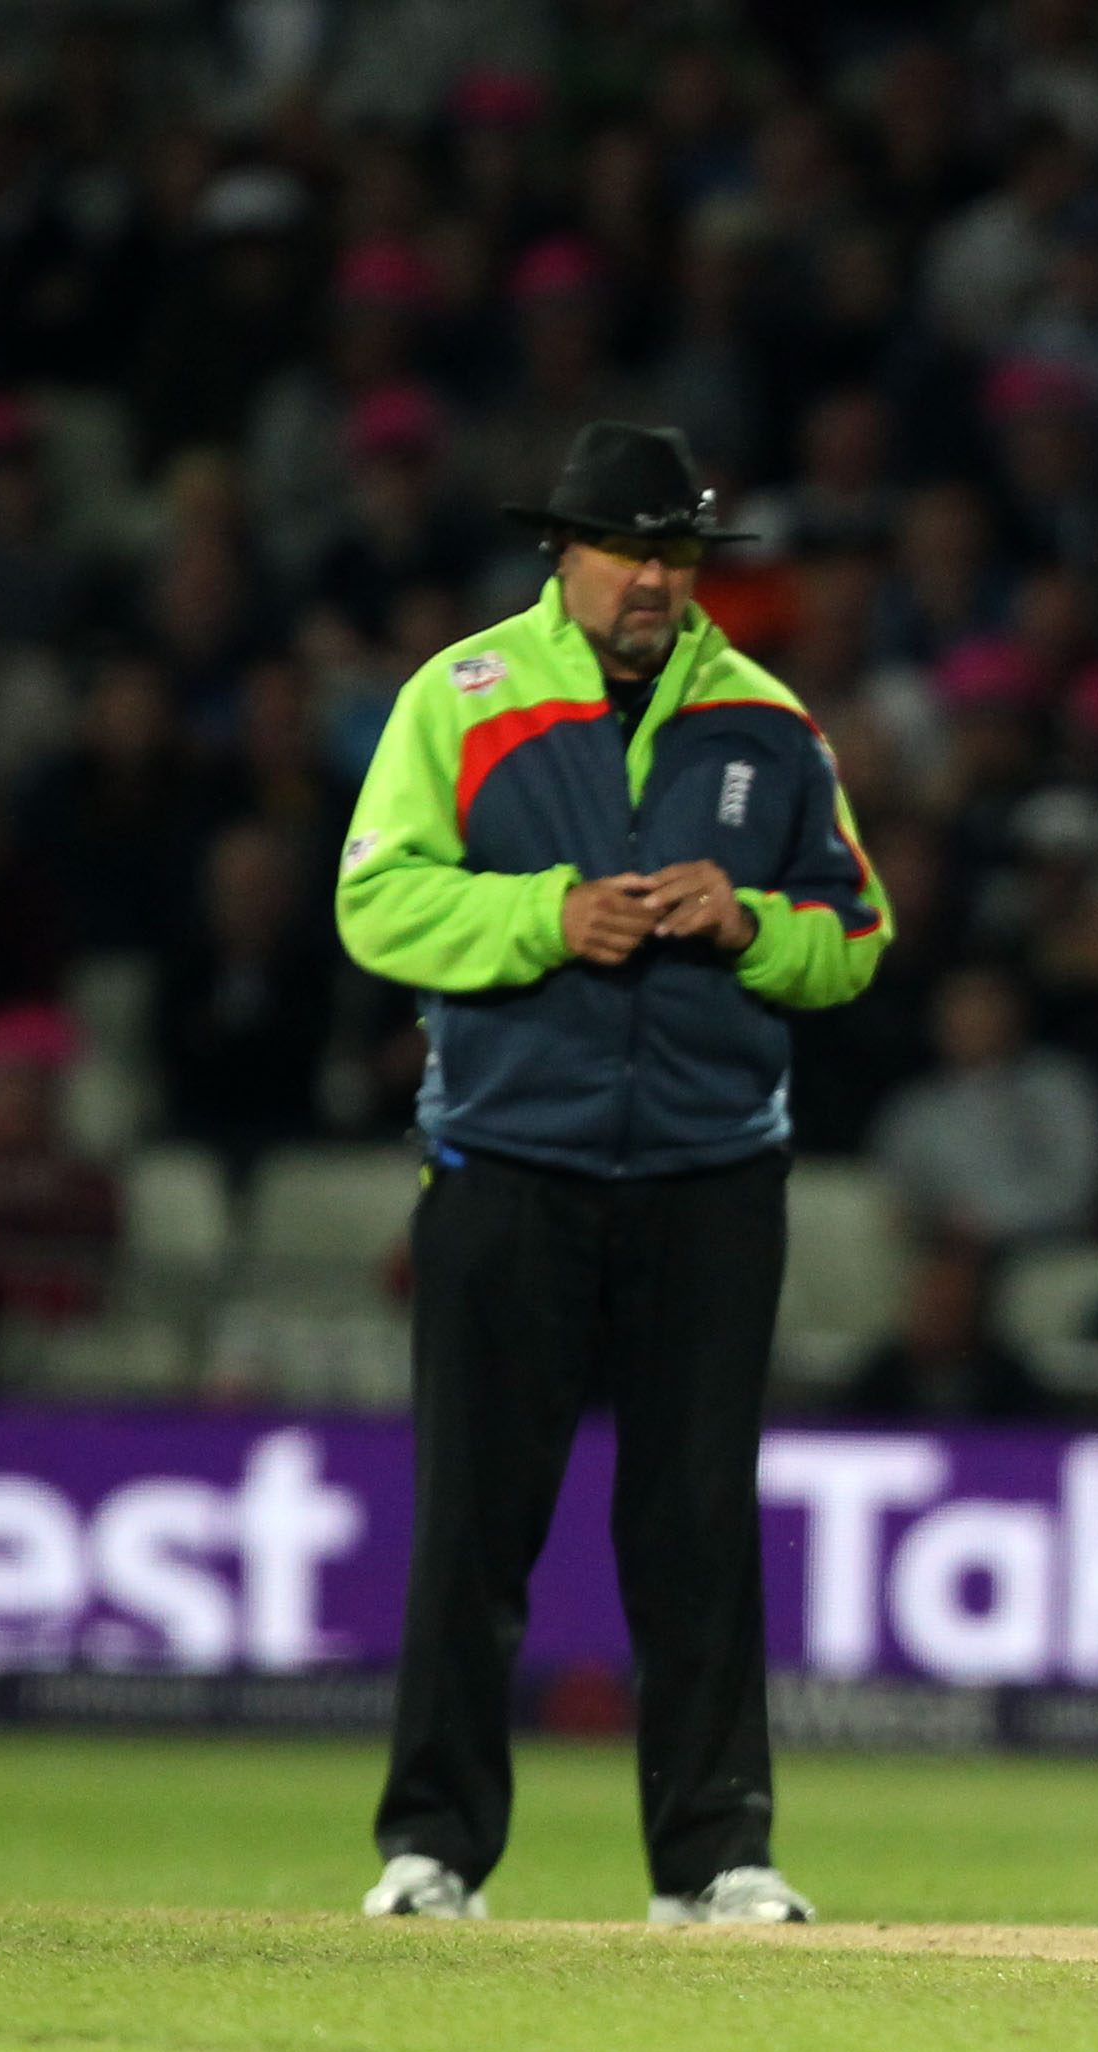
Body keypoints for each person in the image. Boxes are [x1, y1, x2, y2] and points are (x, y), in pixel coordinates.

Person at [336, 422, 892, 1925]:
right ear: (561, 552)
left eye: (675, 551)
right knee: (474, 1521)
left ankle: (716, 1861)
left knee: (697, 1524)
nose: (652, 577)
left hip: (712, 1176)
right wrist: (548, 917)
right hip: (507, 1164)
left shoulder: (768, 722)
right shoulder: (461, 698)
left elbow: (855, 938)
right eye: (625, 548)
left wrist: (748, 923)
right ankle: (433, 1849)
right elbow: (376, 903)